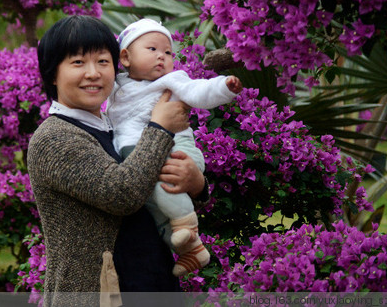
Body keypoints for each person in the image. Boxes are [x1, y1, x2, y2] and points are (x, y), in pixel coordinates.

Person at [27, 15, 208, 307]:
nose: (93, 73)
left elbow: (153, 183)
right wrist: (159, 128)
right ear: (52, 73)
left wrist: (196, 183)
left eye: (102, 61)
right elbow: (121, 194)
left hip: (151, 281)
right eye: (77, 63)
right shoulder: (55, 138)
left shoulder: (114, 125)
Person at [106, 18, 243, 277]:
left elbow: (198, 90)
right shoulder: (116, 87)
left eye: (167, 52)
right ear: (125, 57)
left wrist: (223, 87)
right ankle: (193, 250)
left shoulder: (172, 80)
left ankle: (187, 226)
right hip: (136, 150)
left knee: (162, 185)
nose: (162, 57)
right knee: (152, 203)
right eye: (152, 50)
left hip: (178, 146)